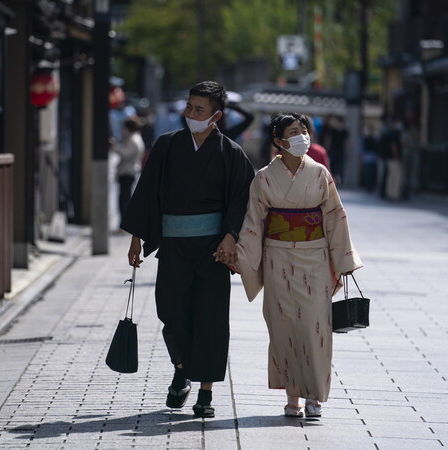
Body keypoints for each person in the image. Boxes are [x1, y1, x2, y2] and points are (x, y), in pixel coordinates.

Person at [120, 81, 255, 418]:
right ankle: (181, 369)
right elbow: (148, 191)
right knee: (171, 312)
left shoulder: (232, 153)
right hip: (174, 245)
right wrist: (137, 236)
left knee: (210, 317)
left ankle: (205, 394)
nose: (191, 114)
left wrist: (230, 236)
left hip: (213, 249)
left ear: (216, 116)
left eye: (199, 110)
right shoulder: (166, 146)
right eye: (189, 107)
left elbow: (242, 200)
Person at [231, 113, 362, 418]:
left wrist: (343, 259)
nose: (302, 136)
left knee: (315, 326)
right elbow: (253, 221)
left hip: (314, 256)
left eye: (304, 131)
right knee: (284, 326)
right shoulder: (263, 177)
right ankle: (293, 396)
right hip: (277, 256)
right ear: (278, 140)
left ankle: (315, 394)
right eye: (294, 132)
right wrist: (240, 256)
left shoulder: (320, 174)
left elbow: (335, 216)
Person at [111, 115, 145, 221]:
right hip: (130, 171)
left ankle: (124, 223)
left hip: (127, 171)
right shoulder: (135, 138)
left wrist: (115, 146)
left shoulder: (133, 140)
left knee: (124, 200)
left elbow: (125, 154)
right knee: (125, 198)